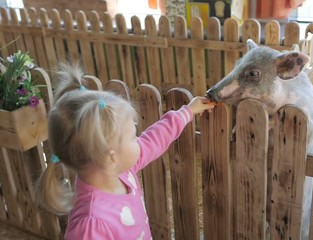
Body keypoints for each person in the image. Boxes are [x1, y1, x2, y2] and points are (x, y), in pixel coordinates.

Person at [35, 63, 215, 239]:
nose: (138, 140)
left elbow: (154, 139)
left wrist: (188, 112)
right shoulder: (90, 225)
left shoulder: (120, 171)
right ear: (110, 157)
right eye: (132, 136)